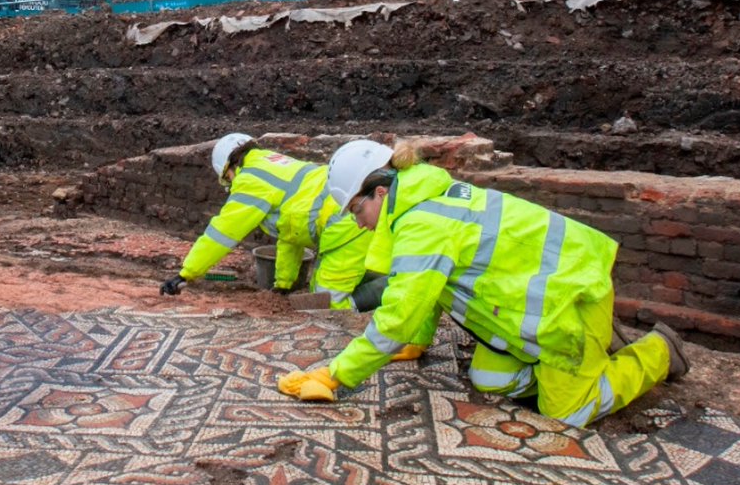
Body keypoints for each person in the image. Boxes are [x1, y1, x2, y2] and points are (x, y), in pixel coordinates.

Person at [277, 139, 689, 428]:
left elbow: (398, 314)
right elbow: (429, 288)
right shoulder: (422, 200)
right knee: (490, 380)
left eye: (355, 209)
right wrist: (417, 343)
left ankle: (657, 352)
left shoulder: (422, 224)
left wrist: (335, 375)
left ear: (380, 192)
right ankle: (578, 356)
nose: (356, 221)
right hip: (530, 308)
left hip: (570, 298)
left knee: (568, 413)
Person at [159, 133, 381, 310]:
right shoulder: (275, 164)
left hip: (346, 219)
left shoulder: (250, 179)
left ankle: (381, 302)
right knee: (330, 287)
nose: (230, 186)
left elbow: (222, 233)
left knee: (325, 303)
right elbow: (290, 235)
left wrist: (186, 273)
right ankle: (389, 288)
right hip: (359, 210)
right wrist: (283, 285)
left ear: (229, 170)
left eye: (228, 181)